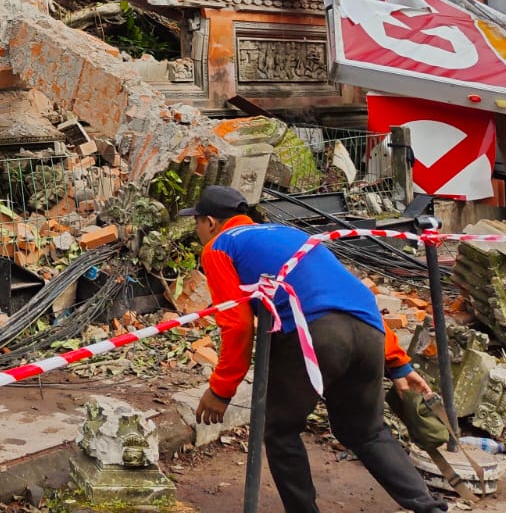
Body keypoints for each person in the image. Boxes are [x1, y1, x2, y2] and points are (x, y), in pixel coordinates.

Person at [187, 185, 448, 513]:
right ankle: (429, 507)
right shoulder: (290, 234)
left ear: (210, 222)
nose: (197, 231)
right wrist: (398, 363)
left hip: (314, 333)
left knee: (280, 430)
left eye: (196, 223)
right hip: (368, 331)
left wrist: (221, 390)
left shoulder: (219, 246)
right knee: (366, 432)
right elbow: (351, 293)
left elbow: (237, 325)